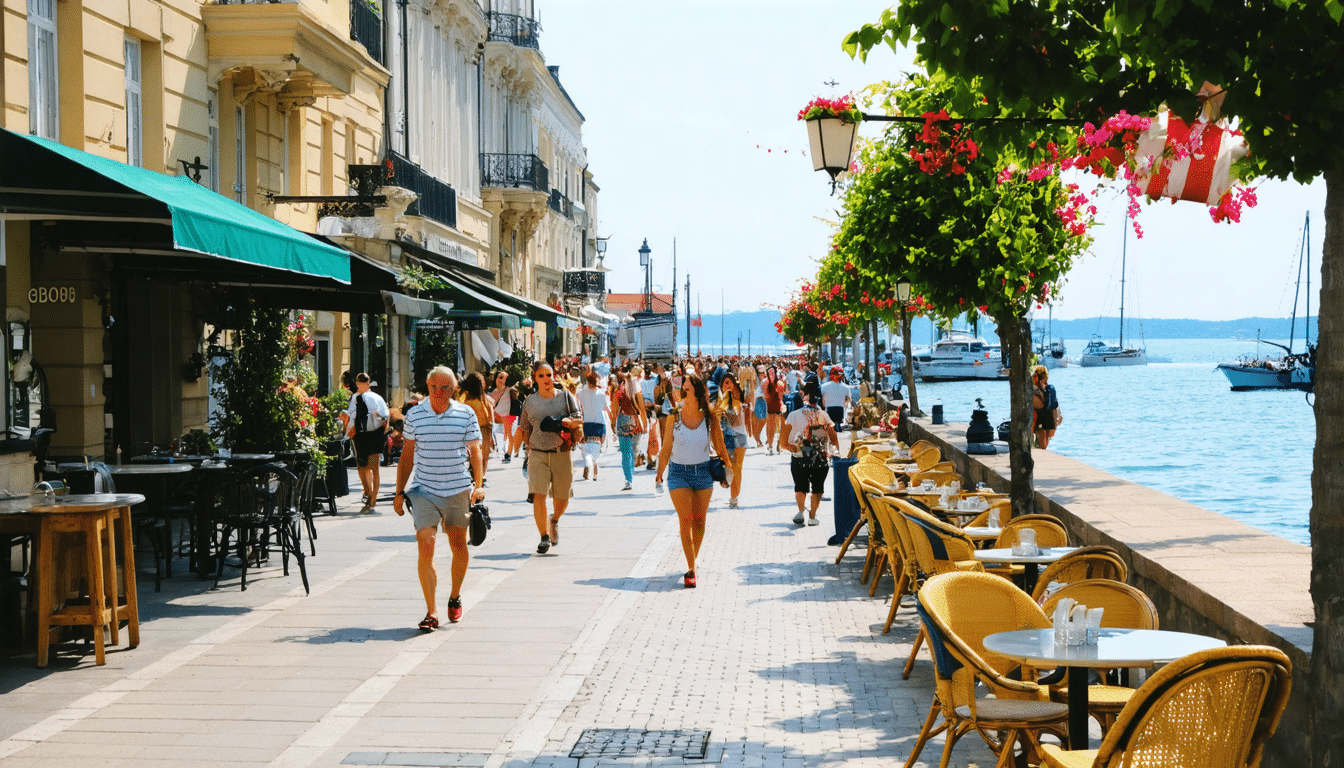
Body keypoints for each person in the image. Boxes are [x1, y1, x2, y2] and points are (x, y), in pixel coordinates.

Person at [393, 367, 484, 628]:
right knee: (427, 545)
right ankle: (431, 612)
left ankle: (454, 597)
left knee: (458, 546)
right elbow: (407, 454)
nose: (439, 392)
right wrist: (399, 492)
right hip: (424, 490)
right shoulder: (416, 414)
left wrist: (478, 485)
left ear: (454, 388)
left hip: (457, 488)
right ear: (427, 385)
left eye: (445, 387)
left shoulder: (465, 413)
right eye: (434, 387)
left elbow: (475, 451)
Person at [655, 372, 732, 588]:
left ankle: (692, 563)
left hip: (704, 472)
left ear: (697, 392)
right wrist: (660, 471)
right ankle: (691, 569)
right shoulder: (674, 415)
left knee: (699, 522)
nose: (682, 391)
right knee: (685, 520)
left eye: (687, 388)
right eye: (682, 388)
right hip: (678, 473)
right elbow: (667, 446)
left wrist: (729, 471)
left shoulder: (709, 416)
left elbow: (720, 445)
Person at [518, 361, 582, 554]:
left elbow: (579, 419)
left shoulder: (565, 398)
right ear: (535, 378)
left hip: (561, 452)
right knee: (539, 494)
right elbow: (525, 427)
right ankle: (544, 537)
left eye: (549, 374)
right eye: (541, 376)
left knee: (562, 499)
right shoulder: (530, 402)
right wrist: (525, 449)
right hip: (537, 454)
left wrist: (565, 422)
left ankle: (554, 520)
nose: (546, 379)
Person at [779, 380, 840, 527]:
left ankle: (801, 512)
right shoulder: (824, 415)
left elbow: (783, 442)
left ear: (803, 395)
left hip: (799, 456)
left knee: (800, 486)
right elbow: (833, 437)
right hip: (819, 456)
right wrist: (834, 452)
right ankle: (812, 516)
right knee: (818, 488)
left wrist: (794, 449)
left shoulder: (793, 415)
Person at [346, 372, 390, 513]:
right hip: (376, 434)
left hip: (361, 435)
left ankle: (368, 493)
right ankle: (373, 500)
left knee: (363, 467)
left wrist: (348, 432)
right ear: (369, 382)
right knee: (375, 469)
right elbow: (386, 415)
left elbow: (351, 417)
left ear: (358, 383)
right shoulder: (378, 397)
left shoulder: (355, 398)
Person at [715, 372, 749, 509]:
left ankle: (734, 498)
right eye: (726, 383)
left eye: (731, 383)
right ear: (722, 386)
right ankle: (731, 491)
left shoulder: (737, 398)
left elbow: (736, 419)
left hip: (740, 436)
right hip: (726, 437)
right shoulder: (718, 400)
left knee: (737, 467)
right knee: (730, 467)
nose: (729, 385)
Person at [610, 370, 647, 491]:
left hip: (623, 421)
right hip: (635, 422)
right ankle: (630, 475)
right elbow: (642, 409)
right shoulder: (637, 392)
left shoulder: (618, 393)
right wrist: (645, 424)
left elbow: (614, 410)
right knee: (633, 452)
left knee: (626, 453)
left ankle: (628, 479)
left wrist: (613, 423)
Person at [577, 371, 608, 481]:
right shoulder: (601, 393)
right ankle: (595, 472)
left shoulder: (581, 393)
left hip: (587, 423)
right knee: (597, 448)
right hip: (600, 423)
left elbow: (576, 405)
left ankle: (587, 464)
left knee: (586, 447)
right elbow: (606, 409)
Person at [490, 370, 517, 464]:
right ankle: (498, 450)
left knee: (510, 435)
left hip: (508, 415)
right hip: (496, 417)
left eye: (505, 377)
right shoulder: (491, 392)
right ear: (495, 378)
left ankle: (508, 454)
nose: (502, 380)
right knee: (498, 434)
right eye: (500, 377)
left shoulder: (511, 390)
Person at [1032, 364, 1061, 450]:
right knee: (1043, 447)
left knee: (1041, 448)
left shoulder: (1034, 393)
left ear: (1035, 377)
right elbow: (1054, 408)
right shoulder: (1049, 390)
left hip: (1040, 423)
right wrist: (1054, 426)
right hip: (1049, 422)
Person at [820, 365, 852, 431]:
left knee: (830, 429)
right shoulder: (846, 387)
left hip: (829, 410)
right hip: (841, 410)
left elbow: (823, 401)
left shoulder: (824, 386)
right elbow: (847, 400)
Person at [762, 366, 786, 454]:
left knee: (780, 427)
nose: (771, 375)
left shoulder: (780, 383)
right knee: (770, 428)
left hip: (778, 406)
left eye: (773, 373)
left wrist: (782, 405)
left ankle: (779, 444)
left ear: (775, 373)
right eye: (769, 373)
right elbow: (766, 396)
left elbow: (781, 396)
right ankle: (770, 444)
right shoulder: (765, 383)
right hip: (770, 407)